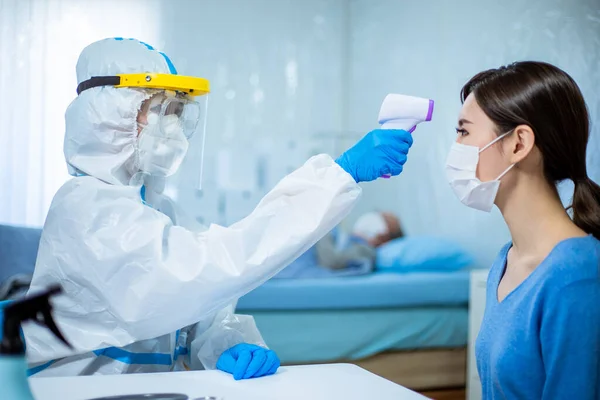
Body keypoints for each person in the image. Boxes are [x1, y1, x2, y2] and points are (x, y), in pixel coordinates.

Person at [23, 38, 414, 378]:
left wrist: (223, 341)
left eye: (179, 112)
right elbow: (207, 270)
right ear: (109, 116)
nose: (173, 128)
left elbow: (203, 306)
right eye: (160, 110)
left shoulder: (159, 208)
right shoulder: (86, 209)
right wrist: (336, 177)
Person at [446, 61, 600, 398]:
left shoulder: (578, 276)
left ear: (519, 144)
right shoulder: (506, 261)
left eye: (463, 132)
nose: (455, 149)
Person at [315, 211, 403, 271]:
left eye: (382, 218)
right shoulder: (349, 239)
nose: (373, 217)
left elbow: (332, 261)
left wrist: (322, 226)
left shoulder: (366, 250)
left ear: (384, 235)